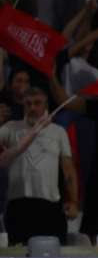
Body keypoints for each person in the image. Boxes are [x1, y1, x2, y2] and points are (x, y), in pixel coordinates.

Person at [0, 88, 79, 245]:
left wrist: (74, 201)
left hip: (50, 208)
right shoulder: (10, 128)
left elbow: (68, 170)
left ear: (46, 106)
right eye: (28, 104)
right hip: (18, 207)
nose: (32, 108)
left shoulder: (58, 132)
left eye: (37, 103)